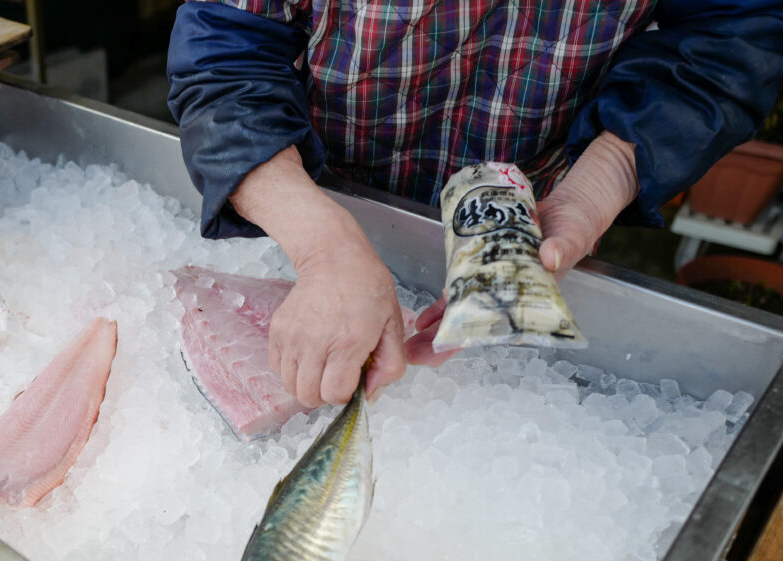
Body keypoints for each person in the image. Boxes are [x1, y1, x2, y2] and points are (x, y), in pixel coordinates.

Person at [166, 0, 783, 408]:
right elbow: (224, 58)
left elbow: (729, 39)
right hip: (313, 190)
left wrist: (608, 174)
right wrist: (324, 246)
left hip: (533, 204)